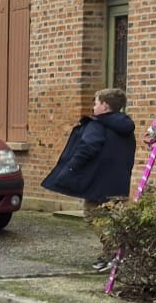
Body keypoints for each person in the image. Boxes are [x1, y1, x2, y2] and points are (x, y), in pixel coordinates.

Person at [42, 88, 136, 216]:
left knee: (93, 216)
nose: (93, 107)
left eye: (96, 103)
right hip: (119, 185)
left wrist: (71, 167)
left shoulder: (97, 125)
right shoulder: (126, 129)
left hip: (96, 187)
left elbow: (88, 148)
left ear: (105, 106)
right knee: (115, 219)